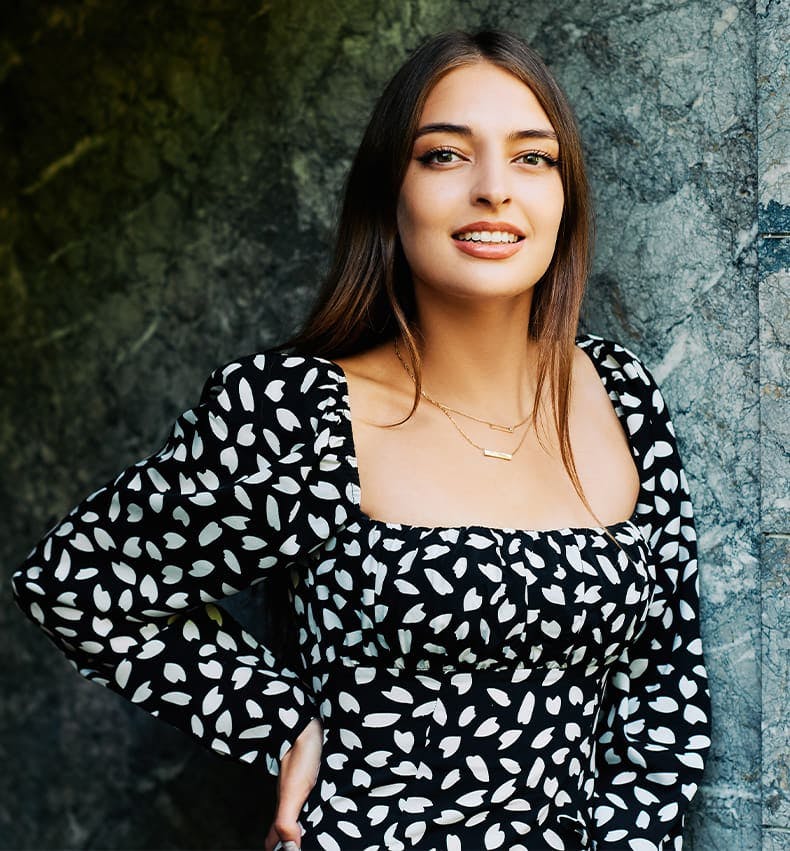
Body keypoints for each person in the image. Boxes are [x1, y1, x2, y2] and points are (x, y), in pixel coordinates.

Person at [12, 28, 711, 851]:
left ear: (567, 197)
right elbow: (82, 580)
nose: (494, 189)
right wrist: (280, 721)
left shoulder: (619, 392)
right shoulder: (298, 413)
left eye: (533, 158)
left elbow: (664, 695)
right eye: (445, 155)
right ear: (389, 192)